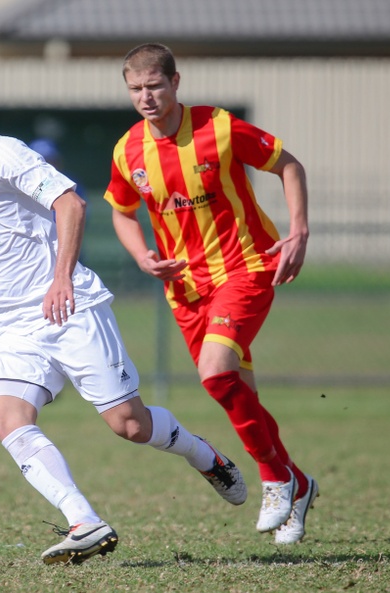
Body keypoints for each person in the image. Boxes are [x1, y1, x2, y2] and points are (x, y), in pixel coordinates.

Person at [0, 50, 247, 565]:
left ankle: (206, 456)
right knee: (7, 419)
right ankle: (84, 521)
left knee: (129, 425)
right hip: (15, 328)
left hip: (70, 309)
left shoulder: (2, 154)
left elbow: (72, 203)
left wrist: (61, 278)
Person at [104, 43, 318, 545]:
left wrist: (300, 229)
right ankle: (298, 482)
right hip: (186, 289)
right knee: (232, 389)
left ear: (176, 83)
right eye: (136, 89)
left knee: (215, 372)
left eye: (154, 85)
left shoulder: (219, 127)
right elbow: (120, 210)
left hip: (246, 266)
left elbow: (289, 165)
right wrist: (141, 255)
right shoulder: (127, 150)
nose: (146, 97)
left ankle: (275, 476)